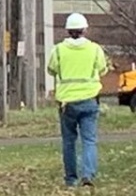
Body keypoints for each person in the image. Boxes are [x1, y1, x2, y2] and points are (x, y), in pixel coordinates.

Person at [49, 11, 111, 187]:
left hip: (66, 102)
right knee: (89, 140)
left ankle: (71, 179)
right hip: (90, 99)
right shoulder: (94, 49)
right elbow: (103, 69)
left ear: (68, 30)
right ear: (84, 29)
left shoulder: (59, 50)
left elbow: (51, 69)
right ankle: (88, 174)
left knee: (69, 141)